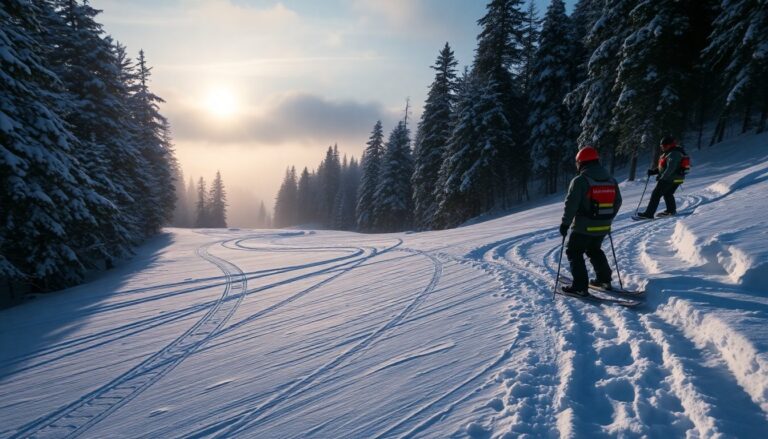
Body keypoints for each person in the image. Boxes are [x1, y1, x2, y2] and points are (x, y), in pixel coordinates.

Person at [559, 146, 622, 297]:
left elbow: (571, 204)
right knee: (594, 250)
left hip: (583, 226)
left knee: (574, 251)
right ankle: (604, 280)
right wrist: (607, 219)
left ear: (581, 163)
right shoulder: (611, 180)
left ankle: (580, 286)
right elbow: (618, 201)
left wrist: (565, 223)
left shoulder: (580, 181)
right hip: (603, 226)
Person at [636, 135, 690, 219]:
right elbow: (664, 167)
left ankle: (648, 214)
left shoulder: (673, 153)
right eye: (661, 146)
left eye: (664, 146)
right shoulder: (670, 152)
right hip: (676, 178)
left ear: (669, 145)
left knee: (656, 194)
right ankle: (671, 211)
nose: (662, 147)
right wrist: (654, 171)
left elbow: (671, 168)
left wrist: (663, 178)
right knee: (668, 193)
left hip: (670, 178)